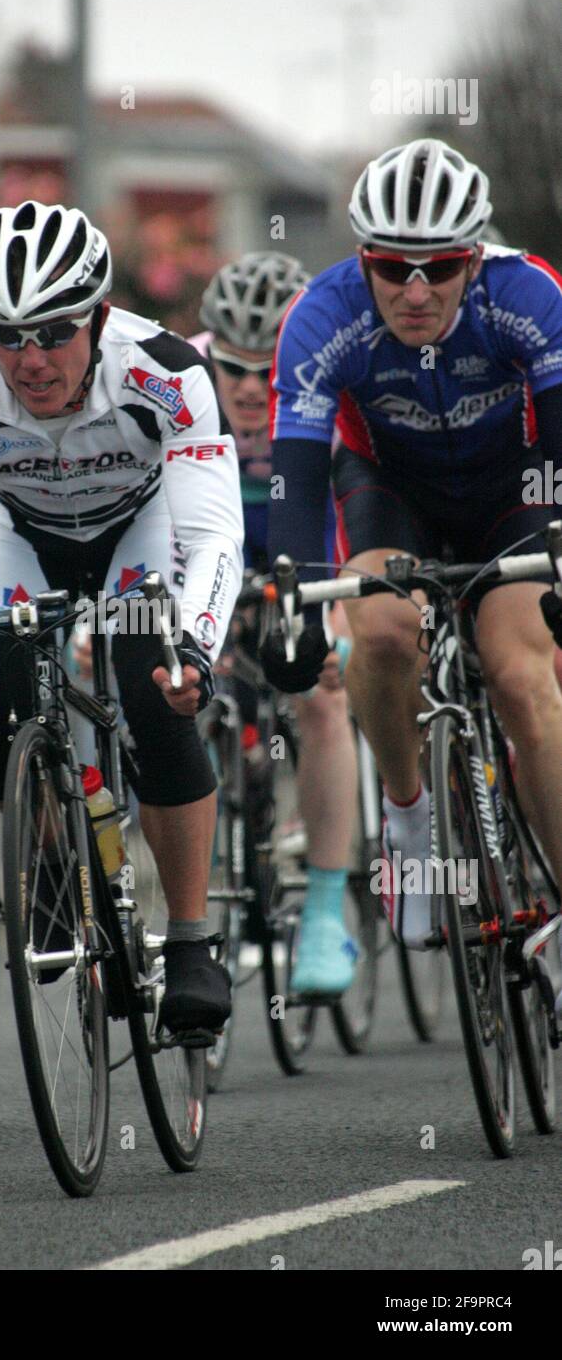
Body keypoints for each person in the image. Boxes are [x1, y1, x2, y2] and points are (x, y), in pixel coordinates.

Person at [0, 198, 244, 1032]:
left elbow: (215, 535)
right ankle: (50, 853)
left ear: (100, 317)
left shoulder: (165, 369)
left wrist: (199, 654)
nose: (30, 360)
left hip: (140, 530)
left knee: (155, 689)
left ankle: (188, 940)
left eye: (55, 332)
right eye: (6, 336)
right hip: (18, 533)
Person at [266, 136, 562, 952]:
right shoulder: (324, 316)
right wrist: (283, 598)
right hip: (392, 492)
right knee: (385, 631)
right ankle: (406, 816)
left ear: (477, 258)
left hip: (517, 494)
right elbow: (294, 470)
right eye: (394, 268)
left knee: (519, 675)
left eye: (440, 266)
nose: (417, 290)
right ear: (363, 261)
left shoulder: (530, 293)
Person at [192, 253, 359, 993]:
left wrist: (342, 613)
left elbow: (357, 506)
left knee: (322, 692)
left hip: (311, 531)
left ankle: (325, 912)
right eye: (235, 370)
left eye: (271, 371)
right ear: (209, 355)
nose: (254, 390)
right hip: (217, 536)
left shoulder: (333, 373)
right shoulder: (182, 378)